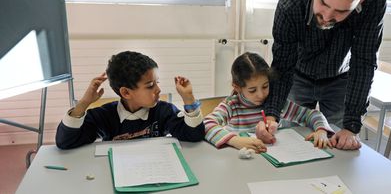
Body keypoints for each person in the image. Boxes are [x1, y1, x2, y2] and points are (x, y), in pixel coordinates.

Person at [259, 0, 387, 150]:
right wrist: (272, 113)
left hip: (341, 80)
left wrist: (351, 126)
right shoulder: (291, 5)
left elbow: (364, 59)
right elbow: (283, 65)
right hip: (298, 76)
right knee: (291, 144)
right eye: (324, 3)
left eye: (341, 11)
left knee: (339, 146)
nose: (327, 16)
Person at [56, 51, 205, 149]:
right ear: (126, 92)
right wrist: (84, 103)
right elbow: (65, 142)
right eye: (150, 85)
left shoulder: (164, 111)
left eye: (157, 83)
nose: (158, 90)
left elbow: (195, 135)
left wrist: (188, 98)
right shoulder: (103, 116)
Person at [204, 52, 334, 153]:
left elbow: (311, 114)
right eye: (252, 90)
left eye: (265, 86)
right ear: (238, 87)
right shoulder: (232, 106)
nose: (261, 95)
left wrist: (321, 130)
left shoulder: (275, 103)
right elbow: (206, 124)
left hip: (273, 162)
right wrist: (236, 141)